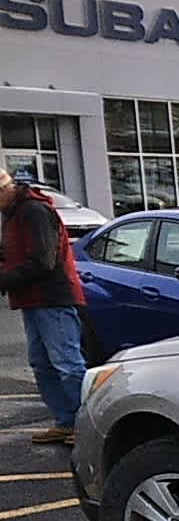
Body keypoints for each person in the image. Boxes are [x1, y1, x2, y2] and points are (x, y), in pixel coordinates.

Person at [0, 169, 88, 445]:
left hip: (52, 297)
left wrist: (4, 278)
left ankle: (86, 425)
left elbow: (43, 260)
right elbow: (13, 252)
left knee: (67, 364)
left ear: (5, 190)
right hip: (32, 299)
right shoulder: (13, 214)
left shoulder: (34, 211)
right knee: (42, 363)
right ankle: (66, 421)